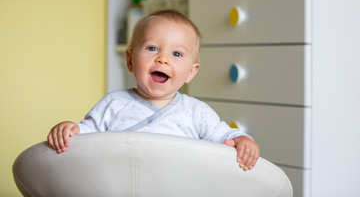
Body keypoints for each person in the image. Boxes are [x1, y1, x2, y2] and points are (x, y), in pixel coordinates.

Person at [48, 10, 259, 171]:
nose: (163, 58)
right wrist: (71, 130)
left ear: (191, 72)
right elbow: (88, 136)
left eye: (177, 54)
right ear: (130, 60)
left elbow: (223, 136)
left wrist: (242, 140)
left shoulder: (196, 112)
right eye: (152, 48)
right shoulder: (114, 104)